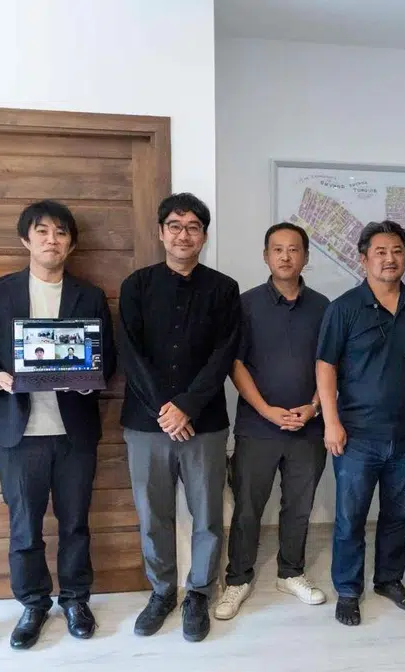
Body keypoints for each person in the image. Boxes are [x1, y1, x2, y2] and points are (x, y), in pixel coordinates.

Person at [0, 200, 115, 649]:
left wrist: (88, 381)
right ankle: (33, 604)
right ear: (26, 240)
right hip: (18, 432)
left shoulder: (89, 295)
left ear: (71, 244)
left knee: (75, 523)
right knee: (25, 526)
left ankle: (75, 599)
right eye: (43, 231)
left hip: (74, 432)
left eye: (61, 233)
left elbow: (106, 357)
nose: (52, 240)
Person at [118, 193, 241, 643]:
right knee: (153, 513)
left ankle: (200, 594)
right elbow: (129, 354)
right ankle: (162, 592)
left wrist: (186, 405)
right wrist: (165, 410)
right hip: (146, 422)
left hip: (203, 423)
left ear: (204, 236)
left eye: (193, 227)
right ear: (161, 232)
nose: (183, 234)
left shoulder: (224, 289)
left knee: (207, 513)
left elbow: (223, 353)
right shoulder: (137, 285)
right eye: (175, 225)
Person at [316, 220, 405, 627]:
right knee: (351, 518)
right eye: (380, 252)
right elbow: (325, 367)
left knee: (400, 516)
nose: (389, 258)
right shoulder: (344, 308)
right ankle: (348, 590)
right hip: (356, 435)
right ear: (363, 259)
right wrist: (331, 422)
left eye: (397, 250)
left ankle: (388, 579)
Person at [214, 222, 331, 621]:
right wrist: (265, 409)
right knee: (247, 507)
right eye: (277, 249)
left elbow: (330, 364)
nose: (285, 256)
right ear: (265, 256)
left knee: (299, 506)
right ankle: (237, 579)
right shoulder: (245, 304)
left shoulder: (323, 307)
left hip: (307, 426)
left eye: (293, 249)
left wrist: (314, 407)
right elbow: (235, 364)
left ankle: (291, 573)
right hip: (258, 426)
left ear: (305, 257)